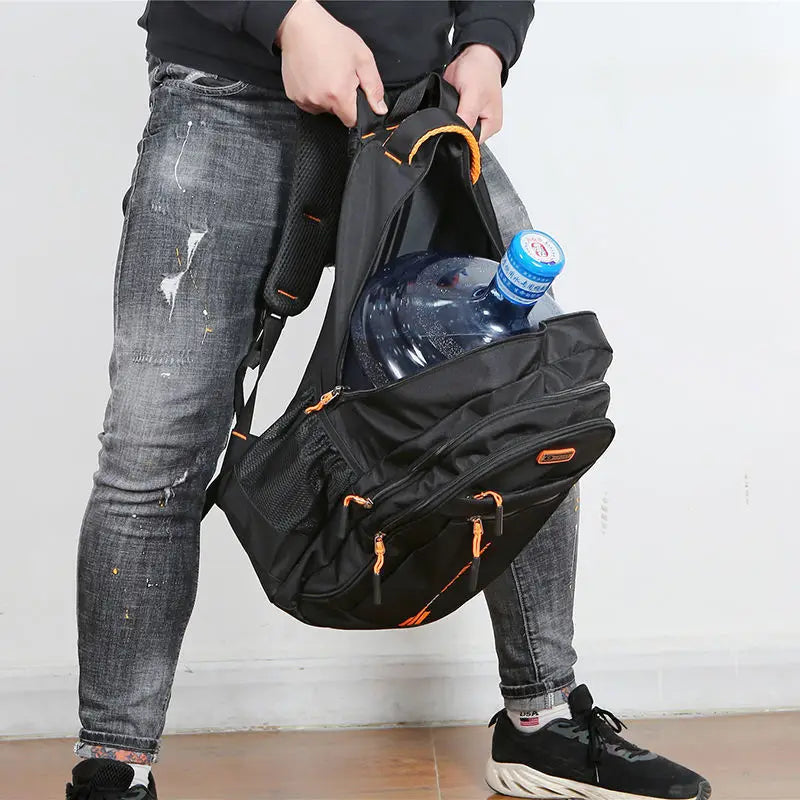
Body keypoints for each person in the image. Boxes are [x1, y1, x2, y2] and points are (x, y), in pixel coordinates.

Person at [65, 2, 711, 799]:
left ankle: (542, 723)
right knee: (155, 447)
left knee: (528, 402)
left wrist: (488, 43)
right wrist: (287, 19)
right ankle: (115, 764)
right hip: (227, 98)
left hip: (416, 107)